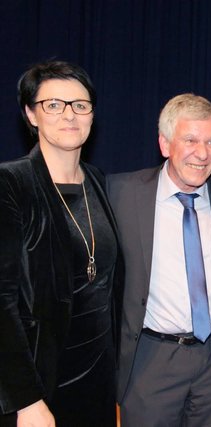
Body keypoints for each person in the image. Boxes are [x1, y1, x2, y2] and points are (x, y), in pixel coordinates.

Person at [108, 94, 211, 426]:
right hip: (150, 358)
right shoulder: (121, 194)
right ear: (164, 144)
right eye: (190, 140)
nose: (202, 153)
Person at [0, 61, 120, 426]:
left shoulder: (98, 182)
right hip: (41, 384)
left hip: (98, 382)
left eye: (80, 105)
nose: (69, 115)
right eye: (53, 104)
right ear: (30, 114)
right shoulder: (11, 183)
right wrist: (26, 400)